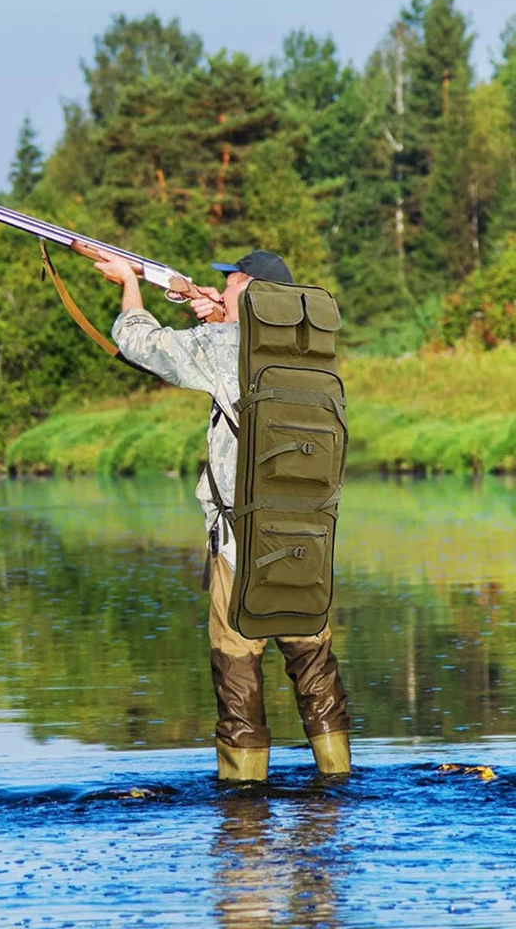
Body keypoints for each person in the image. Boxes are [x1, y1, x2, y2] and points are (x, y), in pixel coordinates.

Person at [94, 248, 351, 782]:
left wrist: (129, 285)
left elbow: (140, 343)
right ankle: (338, 782)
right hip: (310, 537)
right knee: (313, 664)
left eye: (229, 285)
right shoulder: (314, 351)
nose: (220, 291)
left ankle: (243, 805)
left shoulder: (223, 345)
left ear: (253, 291)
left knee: (237, 667)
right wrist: (219, 311)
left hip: (240, 541)